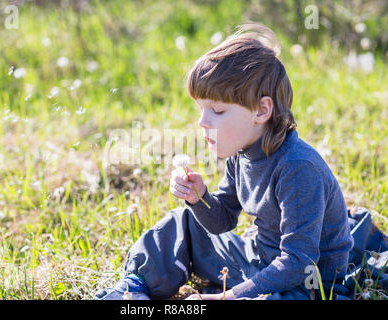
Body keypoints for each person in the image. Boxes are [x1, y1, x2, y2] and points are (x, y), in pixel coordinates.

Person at [95, 23, 356, 300]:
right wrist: (199, 198)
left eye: (217, 110)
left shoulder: (298, 168)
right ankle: (133, 290)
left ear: (261, 110)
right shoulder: (241, 154)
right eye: (201, 109)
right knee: (183, 222)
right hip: (259, 262)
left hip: (308, 284)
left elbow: (297, 263)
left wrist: (225, 297)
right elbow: (222, 221)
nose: (202, 121)